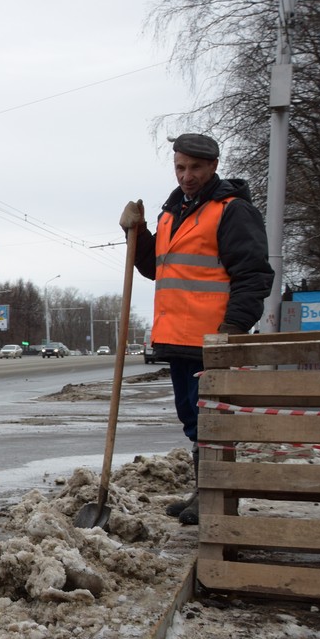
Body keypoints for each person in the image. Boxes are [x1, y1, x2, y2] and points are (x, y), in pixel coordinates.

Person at [119, 133, 273, 525]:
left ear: (214, 166)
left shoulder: (232, 210)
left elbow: (253, 274)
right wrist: (137, 236)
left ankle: (216, 496)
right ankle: (206, 490)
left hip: (213, 339)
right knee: (193, 419)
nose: (186, 176)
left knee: (213, 422)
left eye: (196, 168)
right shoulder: (171, 212)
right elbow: (158, 268)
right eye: (180, 167)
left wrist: (233, 328)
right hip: (177, 339)